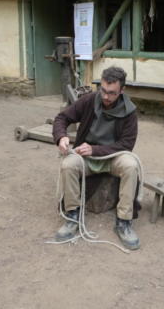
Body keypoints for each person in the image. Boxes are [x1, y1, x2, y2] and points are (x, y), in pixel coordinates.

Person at [52, 66, 140, 250]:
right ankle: (72, 216)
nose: (106, 97)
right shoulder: (90, 100)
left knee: (131, 165)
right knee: (68, 165)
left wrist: (96, 150)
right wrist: (61, 137)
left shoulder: (130, 112)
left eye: (112, 93)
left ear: (122, 91)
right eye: (104, 91)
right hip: (86, 155)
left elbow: (127, 145)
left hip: (113, 156)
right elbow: (62, 118)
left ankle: (124, 221)